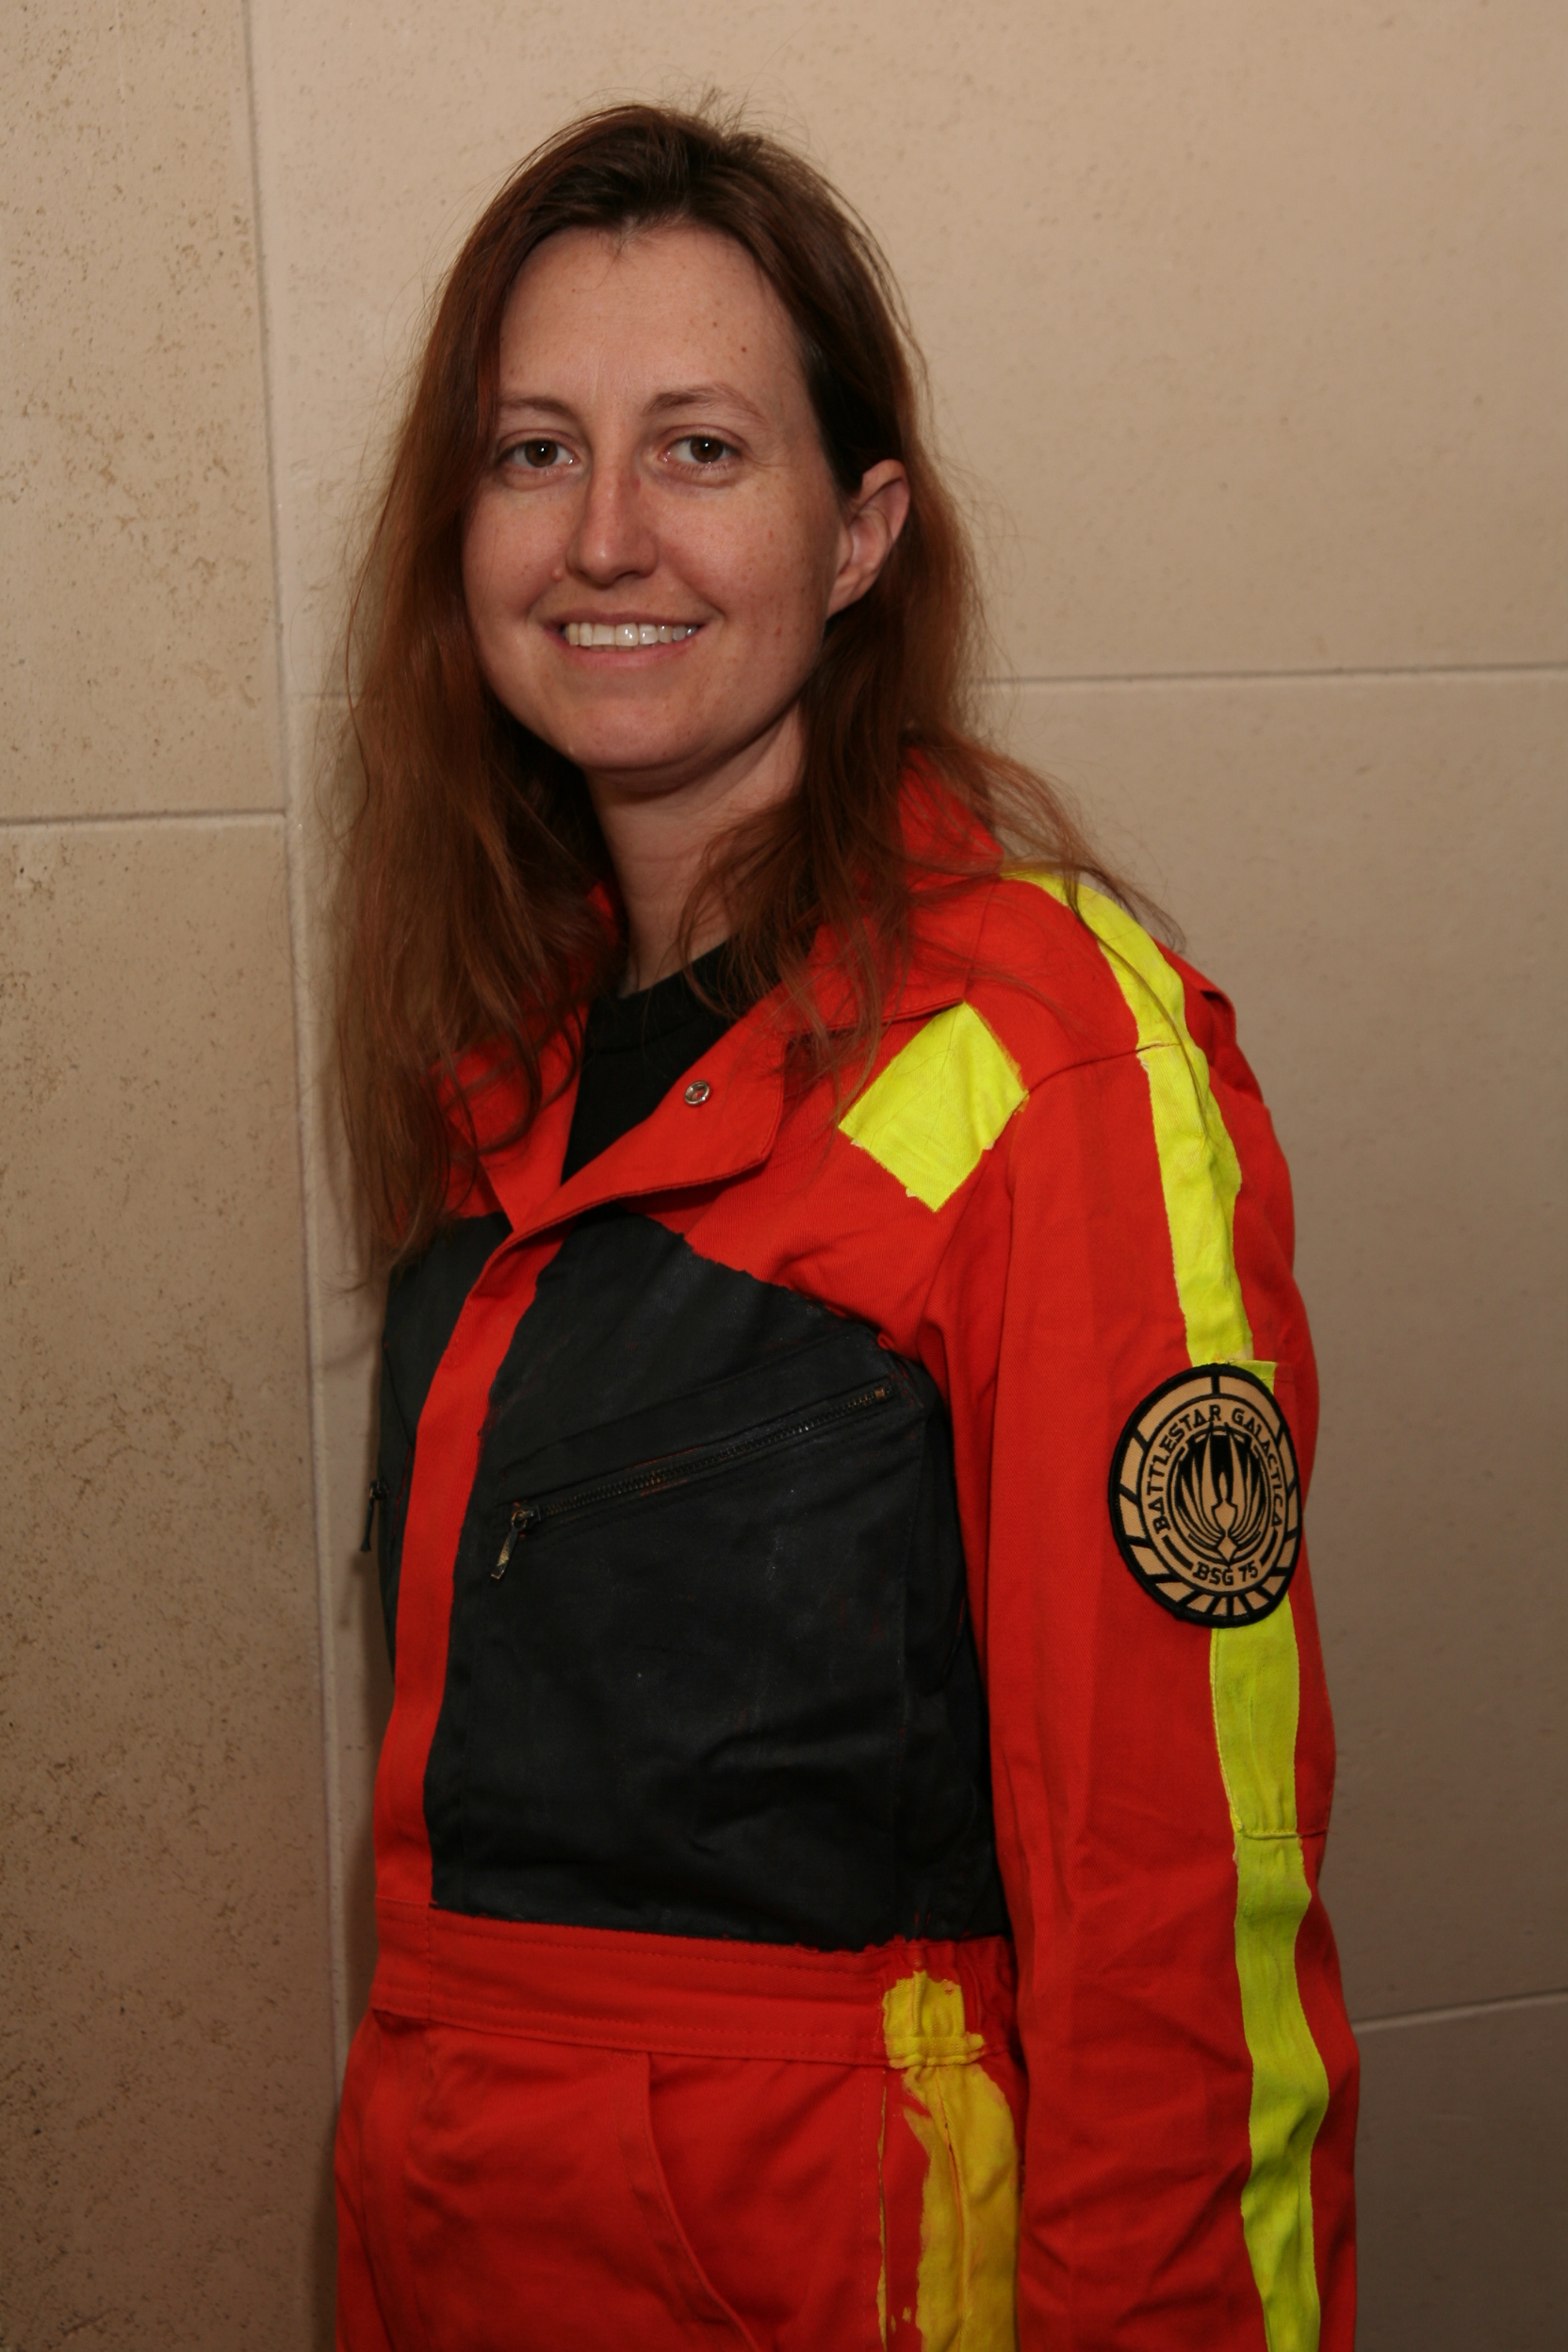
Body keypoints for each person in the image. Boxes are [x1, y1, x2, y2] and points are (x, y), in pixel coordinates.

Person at [333, 101, 1357, 2352]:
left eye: (699, 450)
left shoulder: (1048, 1060)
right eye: (532, 452)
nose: (606, 534)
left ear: (862, 531)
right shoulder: (504, 1058)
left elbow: (1173, 1903)